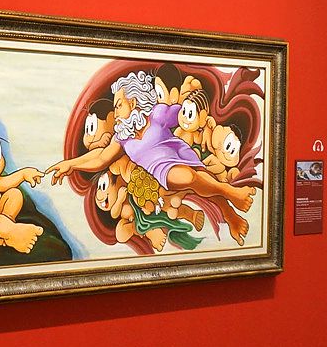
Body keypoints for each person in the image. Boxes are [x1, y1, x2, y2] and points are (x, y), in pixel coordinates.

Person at [47, 70, 255, 241]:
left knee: (201, 180)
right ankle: (230, 192)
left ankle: (230, 215)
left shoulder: (156, 114)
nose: (116, 113)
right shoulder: (122, 138)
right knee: (190, 178)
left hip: (179, 153)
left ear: (133, 103)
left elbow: (184, 116)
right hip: (161, 171)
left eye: (118, 106)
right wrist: (71, 164)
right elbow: (100, 157)